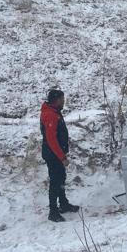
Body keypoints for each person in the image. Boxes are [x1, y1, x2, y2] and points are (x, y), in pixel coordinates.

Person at [40, 89, 79, 222]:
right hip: (53, 154)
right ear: (56, 100)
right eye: (62, 100)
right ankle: (53, 211)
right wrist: (61, 157)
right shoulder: (50, 114)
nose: (64, 102)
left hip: (56, 153)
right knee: (55, 181)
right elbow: (51, 139)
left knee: (61, 178)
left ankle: (63, 204)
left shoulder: (54, 112)